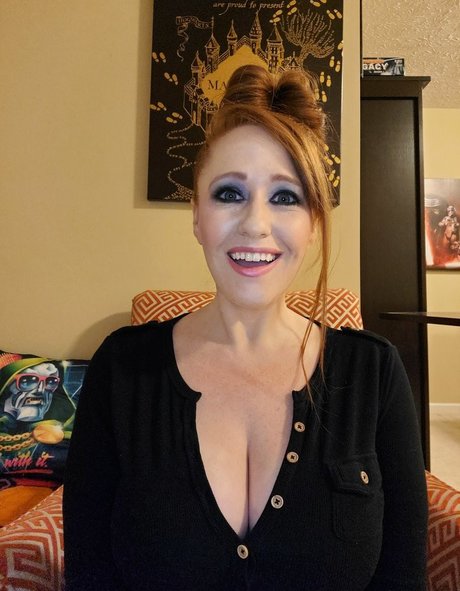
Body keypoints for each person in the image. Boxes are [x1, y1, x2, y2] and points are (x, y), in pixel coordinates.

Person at [63, 65, 427, 590]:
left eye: (286, 197)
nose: (255, 224)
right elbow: (89, 574)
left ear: (313, 222)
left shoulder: (375, 372)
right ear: (197, 216)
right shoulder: (121, 369)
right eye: (230, 193)